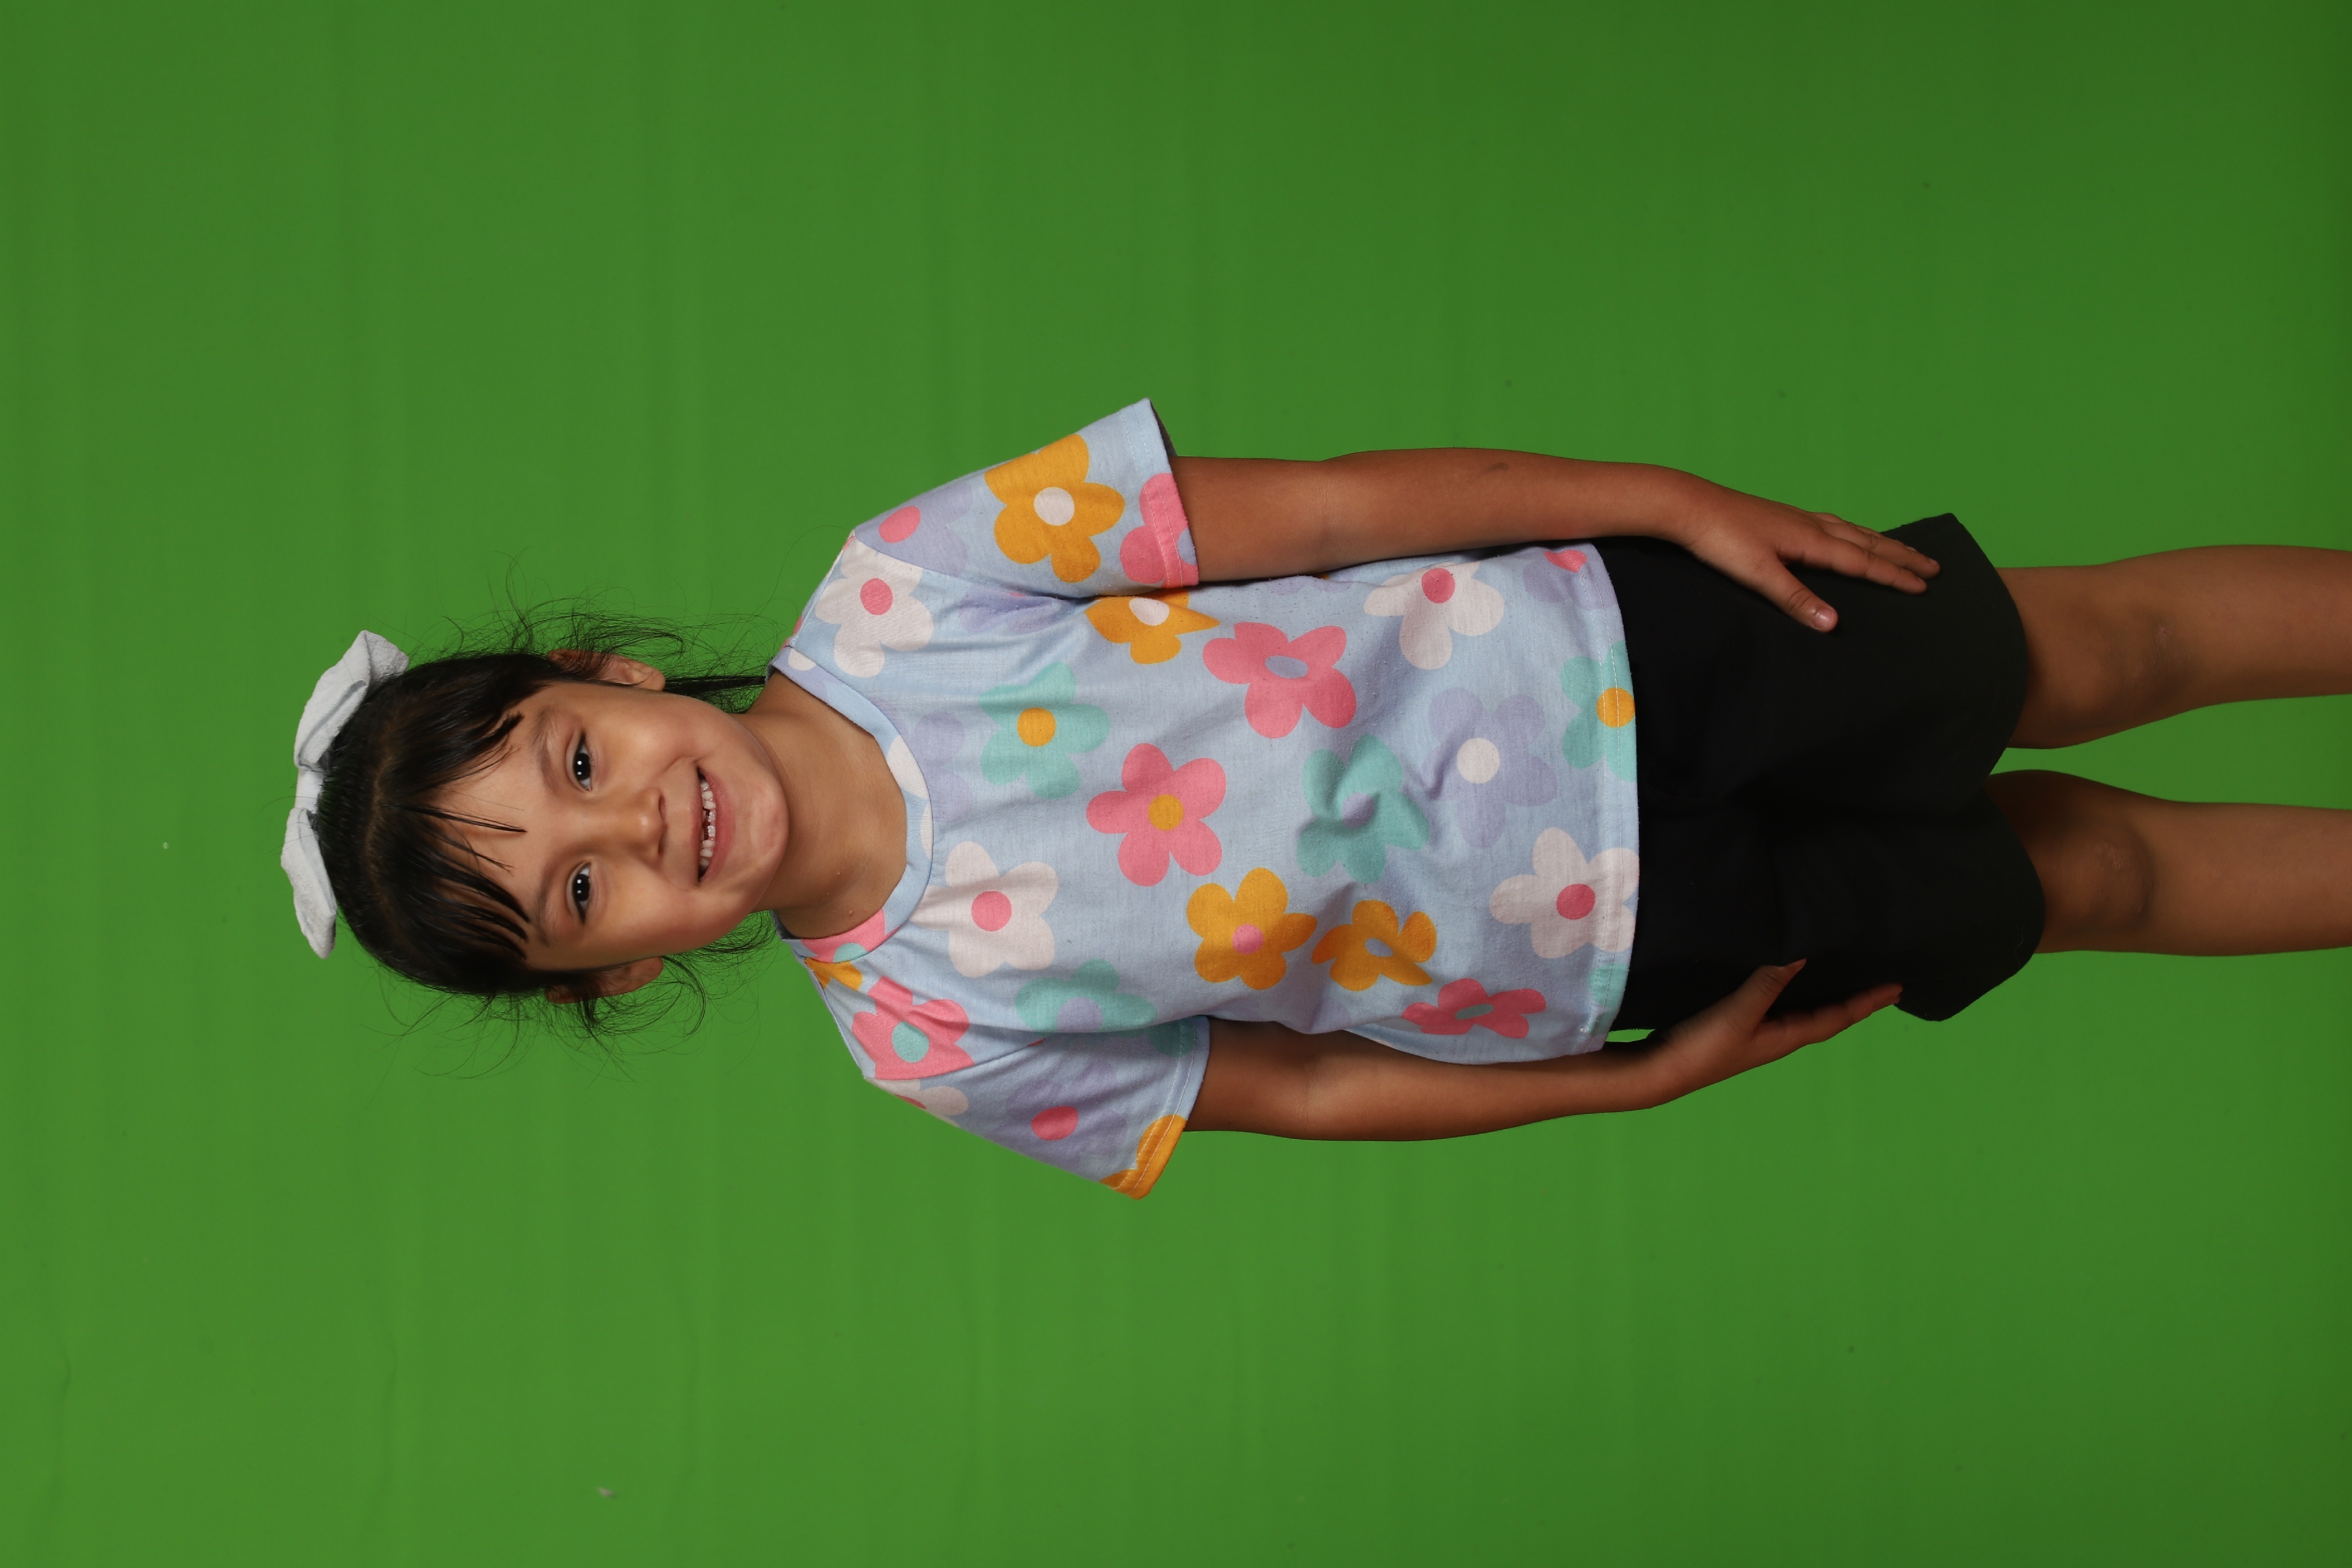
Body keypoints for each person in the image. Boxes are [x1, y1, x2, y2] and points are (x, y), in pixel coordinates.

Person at [284, 401, 2352, 1197]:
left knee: (2099, 648)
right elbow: (1311, 1088)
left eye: (574, 763)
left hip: (1634, 646)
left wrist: (1660, 500)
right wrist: (1622, 1088)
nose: (634, 827)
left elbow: (1340, 511)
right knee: (2087, 875)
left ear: (615, 681)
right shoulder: (928, 1042)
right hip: (1625, 941)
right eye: (576, 897)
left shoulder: (909, 577)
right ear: (609, 978)